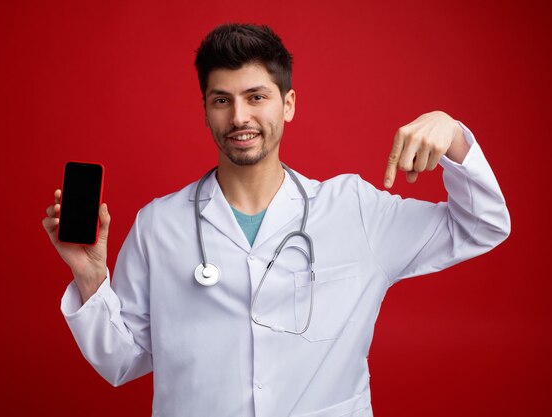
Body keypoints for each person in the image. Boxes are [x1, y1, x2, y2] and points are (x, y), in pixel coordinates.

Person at [42, 23, 510, 417]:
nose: (239, 116)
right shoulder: (159, 225)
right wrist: (90, 279)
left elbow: (483, 225)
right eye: (221, 100)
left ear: (288, 104)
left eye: (256, 96)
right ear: (205, 111)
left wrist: (454, 137)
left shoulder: (356, 210)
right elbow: (121, 361)